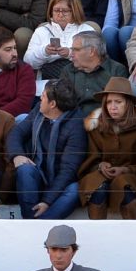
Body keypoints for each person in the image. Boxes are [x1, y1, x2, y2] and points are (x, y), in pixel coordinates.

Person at [78, 76, 136, 217]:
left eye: (118, 102)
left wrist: (125, 169)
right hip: (101, 175)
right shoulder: (96, 127)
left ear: (128, 104)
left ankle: (130, 235)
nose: (112, 106)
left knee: (123, 184)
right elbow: (89, 160)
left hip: (133, 179)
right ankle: (97, 234)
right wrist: (100, 165)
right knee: (98, 186)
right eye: (109, 102)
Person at [8, 79, 86, 218]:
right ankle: (32, 220)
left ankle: (35, 226)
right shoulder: (38, 110)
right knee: (25, 169)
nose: (40, 98)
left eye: (43, 96)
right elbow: (17, 133)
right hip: (38, 172)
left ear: (52, 104)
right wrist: (17, 155)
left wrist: (47, 201)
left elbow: (68, 170)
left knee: (75, 190)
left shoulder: (76, 126)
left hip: (59, 180)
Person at [26, 225, 108, 271]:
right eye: (54, 249)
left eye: (64, 250)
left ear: (74, 251)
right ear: (48, 250)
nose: (58, 256)